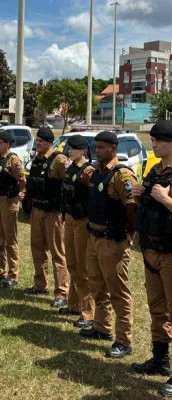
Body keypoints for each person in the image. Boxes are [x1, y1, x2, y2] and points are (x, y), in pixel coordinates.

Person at [80, 130, 136, 359]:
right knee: (97, 286)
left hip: (113, 241)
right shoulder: (96, 173)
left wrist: (128, 234)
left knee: (118, 292)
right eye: (96, 147)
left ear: (113, 149)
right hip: (94, 238)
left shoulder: (122, 176)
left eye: (101, 147)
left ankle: (123, 340)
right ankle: (102, 327)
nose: (97, 151)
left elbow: (132, 208)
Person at [131, 120, 172, 396]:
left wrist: (166, 200)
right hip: (151, 251)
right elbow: (146, 205)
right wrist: (138, 195)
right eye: (152, 140)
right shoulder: (155, 171)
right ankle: (160, 359)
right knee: (157, 308)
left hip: (170, 253)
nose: (152, 144)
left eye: (157, 140)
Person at [24, 127, 70, 308]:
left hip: (53, 212)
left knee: (57, 252)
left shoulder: (59, 160)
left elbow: (69, 184)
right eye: (37, 141)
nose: (38, 143)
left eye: (41, 141)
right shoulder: (37, 159)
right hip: (37, 210)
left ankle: (62, 292)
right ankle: (40, 285)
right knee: (37, 249)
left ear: (50, 143)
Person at [60, 134, 95, 328]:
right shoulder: (70, 168)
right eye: (69, 148)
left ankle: (88, 312)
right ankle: (73, 304)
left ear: (83, 150)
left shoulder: (88, 171)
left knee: (83, 268)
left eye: (73, 148)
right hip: (70, 219)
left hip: (82, 222)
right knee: (72, 264)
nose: (70, 151)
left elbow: (94, 197)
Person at [0, 130, 26, 288]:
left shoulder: (13, 160)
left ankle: (13, 274)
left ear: (8, 144)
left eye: (0, 143)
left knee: (10, 239)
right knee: (0, 237)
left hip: (8, 201)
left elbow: (22, 180)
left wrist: (18, 192)